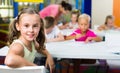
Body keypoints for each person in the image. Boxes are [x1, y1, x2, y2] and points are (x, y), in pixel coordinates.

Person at [4, 7, 54, 73]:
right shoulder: (18, 46)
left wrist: (48, 55)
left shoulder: (33, 43)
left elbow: (41, 48)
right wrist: (35, 67)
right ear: (18, 26)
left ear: (40, 26)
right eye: (26, 26)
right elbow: (9, 60)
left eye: (35, 26)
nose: (31, 30)